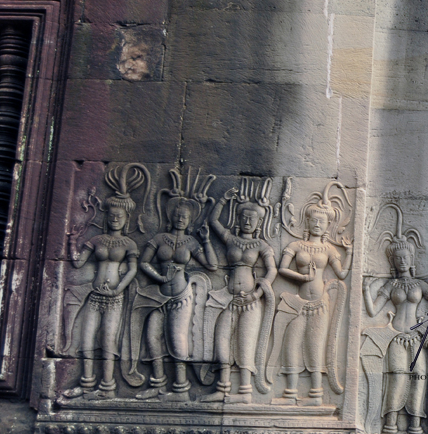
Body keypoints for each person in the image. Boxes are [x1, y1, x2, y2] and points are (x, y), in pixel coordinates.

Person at [63, 164, 149, 400]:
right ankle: (87, 384)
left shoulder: (129, 244)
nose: (114, 219)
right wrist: (73, 241)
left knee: (108, 340)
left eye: (119, 217)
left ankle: (108, 386)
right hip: (94, 296)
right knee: (87, 339)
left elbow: (132, 270)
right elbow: (79, 263)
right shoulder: (97, 240)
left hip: (115, 298)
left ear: (126, 219)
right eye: (111, 216)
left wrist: (118, 289)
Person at [363, 204, 428, 434]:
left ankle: (415, 426)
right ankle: (390, 425)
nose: (401, 261)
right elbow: (372, 310)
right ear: (393, 261)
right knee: (398, 375)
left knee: (419, 376)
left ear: (411, 259)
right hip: (396, 335)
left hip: (418, 337)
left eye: (405, 257)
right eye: (397, 258)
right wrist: (367, 289)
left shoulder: (420, 285)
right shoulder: (391, 285)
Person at [137, 195, 218, 402]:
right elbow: (143, 262)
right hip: (158, 295)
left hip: (181, 296)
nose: (180, 218)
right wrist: (160, 276)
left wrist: (207, 240)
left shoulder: (191, 242)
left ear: (190, 220)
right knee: (152, 337)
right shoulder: (158, 239)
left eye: (185, 216)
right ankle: (158, 384)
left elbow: (212, 265)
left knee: (177, 339)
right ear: (170, 216)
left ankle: (181, 389)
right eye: (177, 214)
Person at [201, 185, 277, 404]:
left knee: (245, 344)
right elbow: (214, 222)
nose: (247, 221)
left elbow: (272, 270)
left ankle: (244, 391)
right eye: (244, 217)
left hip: (251, 301)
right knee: (221, 342)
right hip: (228, 299)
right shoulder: (231, 239)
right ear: (239, 218)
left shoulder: (261, 244)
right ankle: (222, 388)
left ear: (258, 222)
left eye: (252, 219)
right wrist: (223, 199)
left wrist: (257, 293)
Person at [276, 195, 351, 405]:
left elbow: (342, 274)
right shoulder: (296, 245)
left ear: (328, 225)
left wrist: (350, 252)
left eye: (322, 221)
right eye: (314, 220)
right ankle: (290, 392)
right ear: (307, 221)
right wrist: (302, 277)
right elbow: (282, 268)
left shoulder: (329, 249)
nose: (317, 224)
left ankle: (316, 394)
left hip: (320, 303)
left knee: (314, 346)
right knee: (291, 344)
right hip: (297, 302)